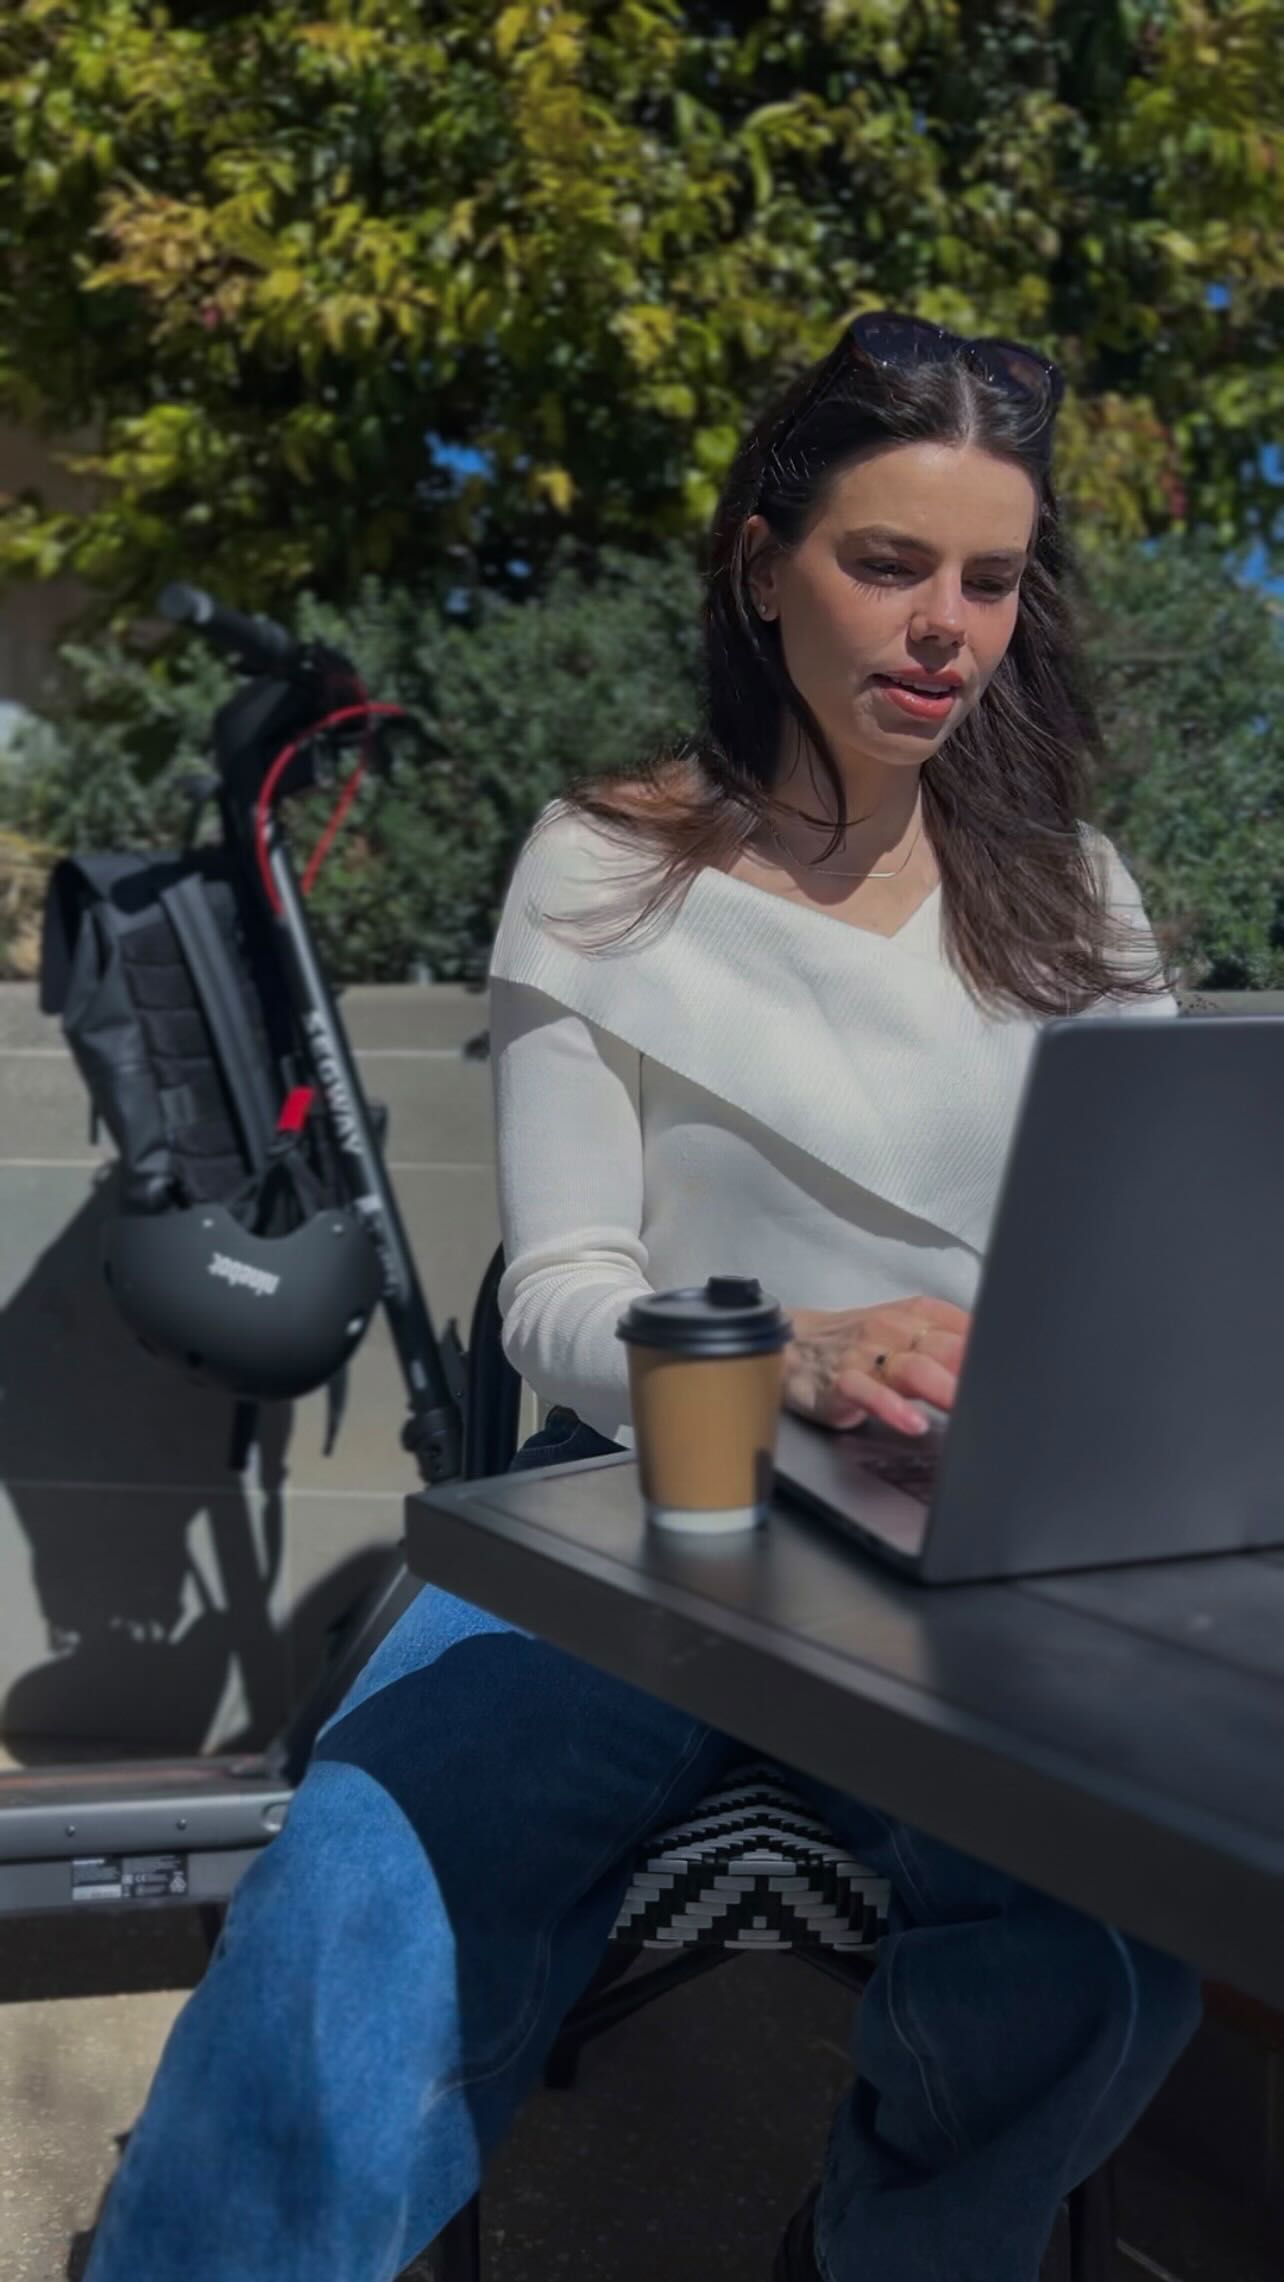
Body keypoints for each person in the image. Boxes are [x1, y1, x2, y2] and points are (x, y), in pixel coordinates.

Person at [84, 311, 1202, 2282]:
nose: (944, 623)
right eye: (887, 562)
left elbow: (1158, 1256)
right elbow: (557, 1302)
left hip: (968, 1553)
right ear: (763, 564)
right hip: (643, 1522)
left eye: (992, 580)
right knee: (360, 1896)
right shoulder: (609, 870)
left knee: (1108, 1935)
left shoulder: (1075, 898)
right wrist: (792, 1352)